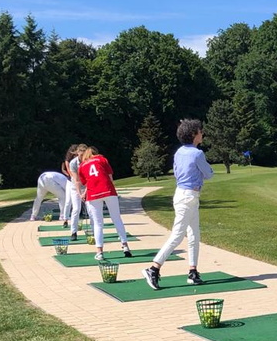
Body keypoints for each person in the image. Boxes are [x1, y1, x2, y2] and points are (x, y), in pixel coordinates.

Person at [142, 119, 213, 290]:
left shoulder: (179, 152)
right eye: (199, 131)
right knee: (178, 235)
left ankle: (193, 271)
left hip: (183, 194)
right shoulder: (197, 154)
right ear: (193, 135)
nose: (202, 133)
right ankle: (153, 268)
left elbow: (177, 172)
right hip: (188, 197)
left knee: (194, 234)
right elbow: (209, 173)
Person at [76, 146, 132, 261]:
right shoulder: (102, 159)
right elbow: (110, 177)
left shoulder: (82, 166)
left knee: (98, 223)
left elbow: (85, 182)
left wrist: (83, 194)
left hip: (93, 194)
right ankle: (125, 246)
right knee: (116, 218)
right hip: (108, 190)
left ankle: (100, 252)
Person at [61, 143, 87, 237]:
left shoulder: (88, 161)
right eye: (81, 155)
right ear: (77, 153)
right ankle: (73, 232)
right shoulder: (73, 163)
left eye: (84, 155)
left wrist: (86, 191)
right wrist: (80, 194)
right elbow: (76, 180)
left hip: (87, 186)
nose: (82, 157)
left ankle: (94, 231)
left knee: (91, 209)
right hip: (75, 187)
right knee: (76, 209)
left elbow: (90, 178)